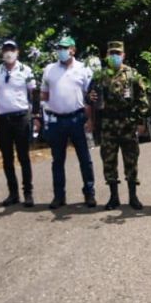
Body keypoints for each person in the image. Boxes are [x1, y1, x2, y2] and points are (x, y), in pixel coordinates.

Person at [92, 40, 150, 210]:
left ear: (123, 55)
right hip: (108, 124)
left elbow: (142, 99)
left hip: (127, 124)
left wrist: (141, 122)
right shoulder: (100, 76)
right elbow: (92, 98)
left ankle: (133, 196)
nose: (115, 56)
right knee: (109, 162)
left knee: (131, 161)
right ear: (107, 55)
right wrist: (91, 98)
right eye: (112, 53)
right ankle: (113, 197)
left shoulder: (132, 74)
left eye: (118, 53)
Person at [41, 36, 96, 209]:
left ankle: (89, 194)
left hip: (78, 119)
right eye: (59, 47)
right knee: (57, 160)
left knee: (85, 159)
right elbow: (44, 95)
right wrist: (44, 115)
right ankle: (59, 196)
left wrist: (91, 120)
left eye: (65, 48)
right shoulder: (49, 69)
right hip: (56, 120)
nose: (61, 51)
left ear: (73, 49)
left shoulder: (84, 69)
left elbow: (91, 97)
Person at [0, 39, 37, 207]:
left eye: (12, 49)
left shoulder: (26, 70)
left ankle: (28, 193)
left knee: (24, 157)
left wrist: (35, 115)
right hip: (3, 120)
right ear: (2, 52)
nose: (9, 52)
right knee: (7, 159)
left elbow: (33, 93)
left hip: (21, 118)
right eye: (6, 49)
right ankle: (13, 193)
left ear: (17, 52)